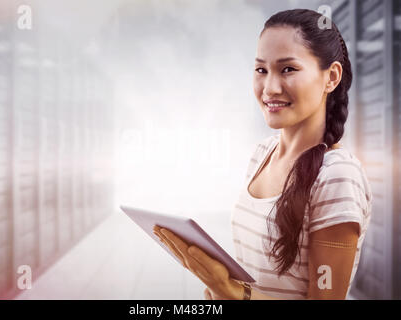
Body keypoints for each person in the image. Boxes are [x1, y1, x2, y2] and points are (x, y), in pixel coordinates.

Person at [153, 8, 372, 300]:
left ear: (331, 77)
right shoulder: (262, 154)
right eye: (261, 70)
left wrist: (234, 293)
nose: (270, 87)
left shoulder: (337, 177)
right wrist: (221, 289)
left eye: (288, 69)